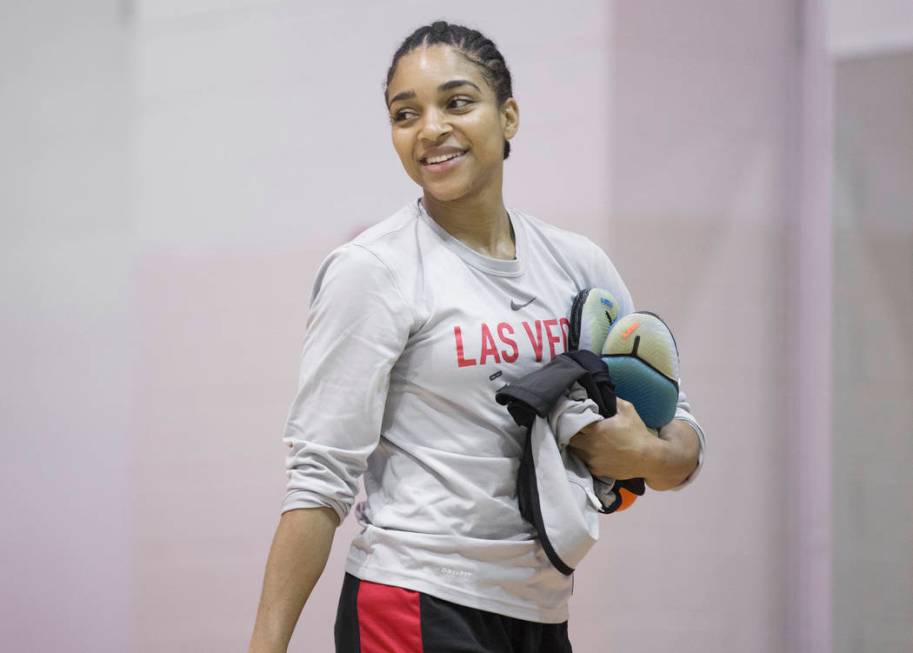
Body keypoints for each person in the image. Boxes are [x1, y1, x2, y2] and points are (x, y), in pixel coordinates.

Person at [248, 20, 705, 653]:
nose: (430, 128)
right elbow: (317, 481)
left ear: (509, 116)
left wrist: (646, 456)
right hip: (412, 598)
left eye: (457, 102)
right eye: (405, 114)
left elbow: (681, 438)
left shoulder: (578, 264)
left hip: (541, 611)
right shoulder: (372, 271)